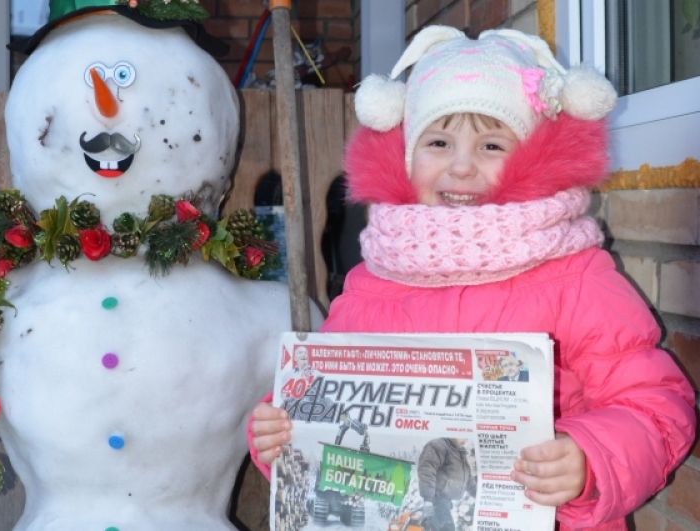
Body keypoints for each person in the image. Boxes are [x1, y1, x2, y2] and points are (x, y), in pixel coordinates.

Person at [248, 26, 696, 531]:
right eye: (438, 141)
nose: (461, 167)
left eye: (491, 145)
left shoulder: (575, 275)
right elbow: (328, 409)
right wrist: (282, 433)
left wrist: (588, 459)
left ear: (532, 159)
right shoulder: (371, 279)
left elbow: (656, 407)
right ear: (406, 156)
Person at [417, 438, 476, 531]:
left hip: (446, 504)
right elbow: (427, 469)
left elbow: (469, 481)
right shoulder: (439, 446)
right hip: (436, 500)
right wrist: (428, 499)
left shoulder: (460, 454)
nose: (466, 439)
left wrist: (480, 495)